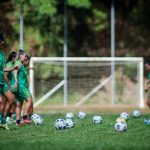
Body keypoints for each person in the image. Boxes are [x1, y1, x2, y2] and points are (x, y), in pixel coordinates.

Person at [14, 50, 33, 125]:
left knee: (19, 104)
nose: (25, 58)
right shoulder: (18, 63)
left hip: (19, 87)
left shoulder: (20, 64)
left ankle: (18, 122)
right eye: (24, 56)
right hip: (21, 86)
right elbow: (15, 72)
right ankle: (25, 117)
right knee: (29, 100)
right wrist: (16, 81)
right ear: (20, 56)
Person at [0, 34, 15, 130]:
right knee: (1, 102)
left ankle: (3, 121)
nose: (2, 43)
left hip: (1, 81)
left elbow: (3, 69)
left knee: (11, 99)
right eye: (1, 41)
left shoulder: (1, 53)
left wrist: (13, 68)